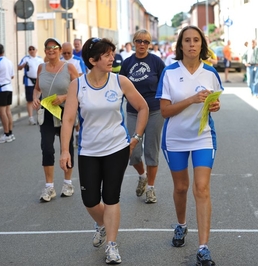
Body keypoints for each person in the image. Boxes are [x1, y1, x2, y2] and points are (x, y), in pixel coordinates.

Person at [59, 37, 148, 264]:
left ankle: (111, 244)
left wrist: (136, 138)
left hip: (117, 148)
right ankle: (101, 224)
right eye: (107, 55)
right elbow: (68, 119)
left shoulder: (120, 81)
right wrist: (65, 151)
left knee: (111, 198)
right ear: (92, 60)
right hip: (88, 150)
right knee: (89, 200)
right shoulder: (77, 85)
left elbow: (143, 107)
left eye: (112, 54)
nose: (112, 58)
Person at [155, 25, 223, 266]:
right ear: (180, 45)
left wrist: (214, 106)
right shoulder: (170, 73)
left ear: (202, 45)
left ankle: (203, 247)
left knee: (202, 188)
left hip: (203, 136)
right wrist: (192, 99)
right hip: (175, 138)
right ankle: (181, 226)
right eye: (187, 40)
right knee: (181, 187)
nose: (192, 44)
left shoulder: (211, 73)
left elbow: (215, 104)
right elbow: (164, 111)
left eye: (196, 40)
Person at [119, 29, 165, 204]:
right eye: (139, 41)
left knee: (151, 151)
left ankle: (151, 189)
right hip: (133, 112)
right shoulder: (127, 63)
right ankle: (142, 175)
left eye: (146, 42)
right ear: (134, 42)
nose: (142, 45)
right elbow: (120, 85)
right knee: (132, 151)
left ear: (150, 44)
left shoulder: (156, 62)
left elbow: (165, 83)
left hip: (154, 110)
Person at [32, 37, 79, 202]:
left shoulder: (69, 68)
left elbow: (80, 88)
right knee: (46, 147)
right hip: (47, 112)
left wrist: (64, 96)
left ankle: (67, 183)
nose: (51, 50)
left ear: (59, 50)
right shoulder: (41, 68)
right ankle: (49, 187)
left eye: (54, 47)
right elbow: (37, 89)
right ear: (45, 51)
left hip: (65, 112)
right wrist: (35, 98)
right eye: (48, 48)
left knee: (66, 148)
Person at [18, 45, 44, 125]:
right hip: (29, 80)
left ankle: (39, 117)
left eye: (33, 49)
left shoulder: (40, 59)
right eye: (30, 49)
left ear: (36, 50)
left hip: (38, 80)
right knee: (30, 100)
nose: (32, 50)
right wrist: (23, 66)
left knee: (39, 99)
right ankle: (30, 117)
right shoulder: (26, 58)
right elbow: (19, 67)